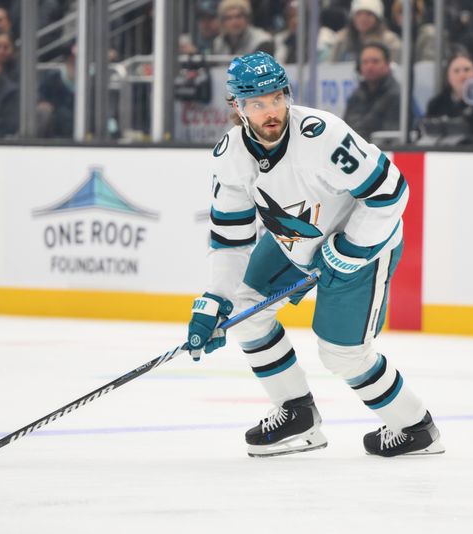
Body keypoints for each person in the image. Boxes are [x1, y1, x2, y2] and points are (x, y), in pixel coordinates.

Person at [186, 51, 444, 458]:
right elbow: (231, 239)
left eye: (276, 98)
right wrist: (214, 299)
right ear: (237, 107)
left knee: (341, 354)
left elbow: (391, 192)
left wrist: (349, 249)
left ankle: (415, 428)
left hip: (363, 242)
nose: (270, 111)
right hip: (295, 236)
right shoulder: (230, 157)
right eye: (256, 103)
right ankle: (297, 413)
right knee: (245, 310)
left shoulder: (322, 135)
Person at [343, 41, 400, 142]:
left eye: (375, 61)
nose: (369, 66)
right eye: (365, 62)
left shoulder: (397, 96)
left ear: (387, 64)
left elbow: (390, 138)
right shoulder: (356, 95)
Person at [328, 0, 401, 63]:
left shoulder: (390, 41)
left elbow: (396, 68)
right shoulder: (342, 39)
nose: (363, 19)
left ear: (377, 18)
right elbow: (331, 66)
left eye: (368, 14)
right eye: (358, 14)